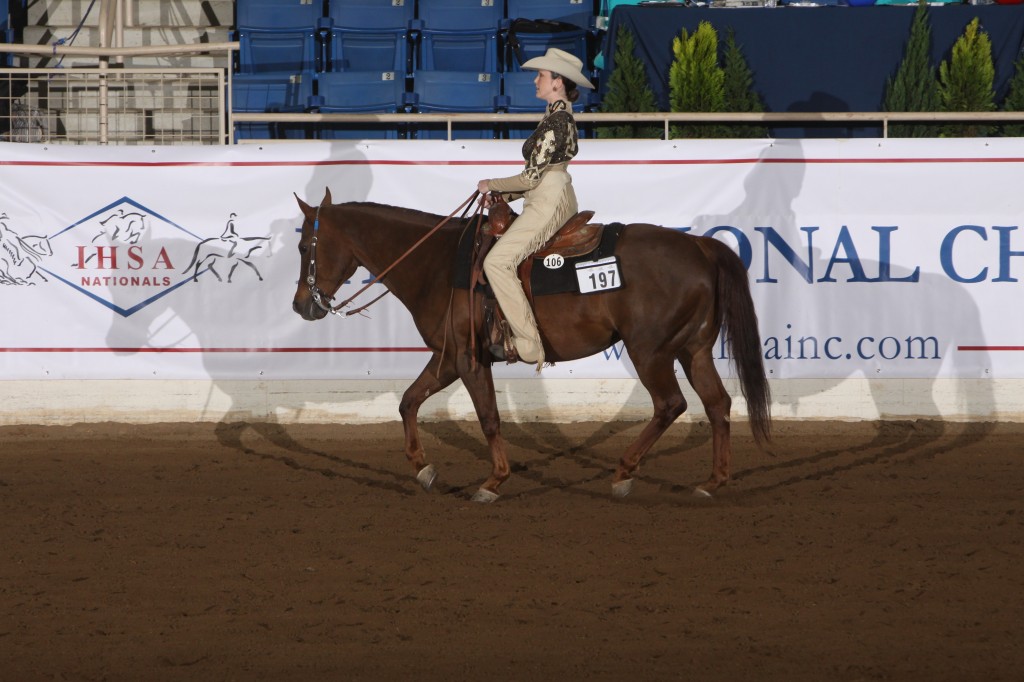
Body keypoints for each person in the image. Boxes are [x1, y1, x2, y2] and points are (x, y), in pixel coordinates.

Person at [477, 48, 594, 368]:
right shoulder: (558, 116)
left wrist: (493, 185)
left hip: (548, 201)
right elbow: (541, 176)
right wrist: (507, 198)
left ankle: (528, 344)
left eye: (541, 75)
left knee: (497, 263)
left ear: (558, 82)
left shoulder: (557, 120)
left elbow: (531, 177)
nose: (535, 80)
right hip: (550, 193)